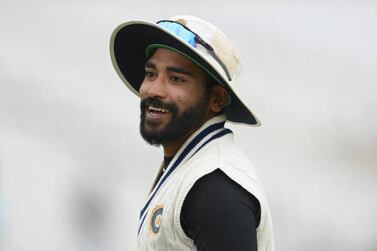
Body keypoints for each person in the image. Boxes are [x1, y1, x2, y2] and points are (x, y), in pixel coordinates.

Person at [110, 15, 274, 251]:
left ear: (216, 99)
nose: (154, 90)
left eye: (176, 79)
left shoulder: (215, 188)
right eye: (150, 74)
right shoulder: (190, 168)